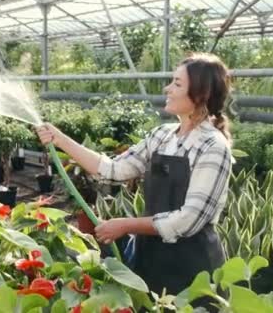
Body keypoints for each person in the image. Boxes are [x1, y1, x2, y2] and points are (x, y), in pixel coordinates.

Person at [36, 53, 232, 298]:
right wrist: (61, 140)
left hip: (193, 268)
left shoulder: (213, 146)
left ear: (201, 94)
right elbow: (113, 169)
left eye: (177, 84)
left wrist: (126, 225)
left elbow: (188, 220)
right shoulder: (162, 136)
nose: (167, 88)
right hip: (151, 260)